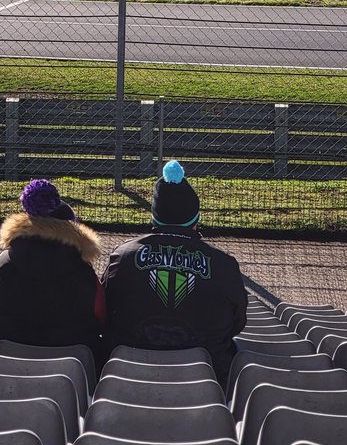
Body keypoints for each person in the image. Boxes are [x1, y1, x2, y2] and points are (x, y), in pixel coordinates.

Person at [103, 160, 246, 383]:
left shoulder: (122, 257)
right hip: (206, 385)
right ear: (195, 220)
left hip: (126, 381)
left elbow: (105, 313)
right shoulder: (224, 264)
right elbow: (237, 324)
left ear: (154, 216)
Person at [0, 179, 104, 350]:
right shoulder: (84, 271)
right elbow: (100, 315)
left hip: (3, 361)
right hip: (69, 366)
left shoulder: (3, 264)